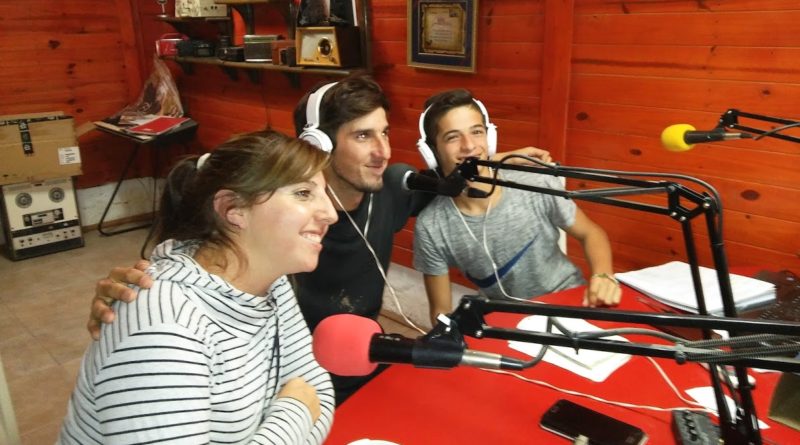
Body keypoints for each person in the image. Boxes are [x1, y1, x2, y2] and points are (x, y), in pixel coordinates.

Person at [87, 74, 551, 404]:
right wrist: (145, 290)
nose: (383, 151)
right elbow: (212, 252)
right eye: (363, 136)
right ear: (318, 144)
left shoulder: (393, 186)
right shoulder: (279, 228)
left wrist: (498, 157)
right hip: (285, 383)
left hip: (359, 362)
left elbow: (452, 178)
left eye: (385, 133)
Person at [59, 131, 336, 444]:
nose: (331, 214)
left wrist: (297, 411)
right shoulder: (164, 329)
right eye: (303, 193)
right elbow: (307, 401)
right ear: (233, 209)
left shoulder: (273, 284)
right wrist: (295, 410)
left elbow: (319, 393)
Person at [412, 89, 622, 326]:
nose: (469, 145)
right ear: (432, 152)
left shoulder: (534, 183)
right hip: (507, 323)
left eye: (477, 132)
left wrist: (603, 275)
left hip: (569, 301)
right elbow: (440, 313)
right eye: (452, 137)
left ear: (490, 137)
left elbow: (591, 233)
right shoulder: (431, 226)